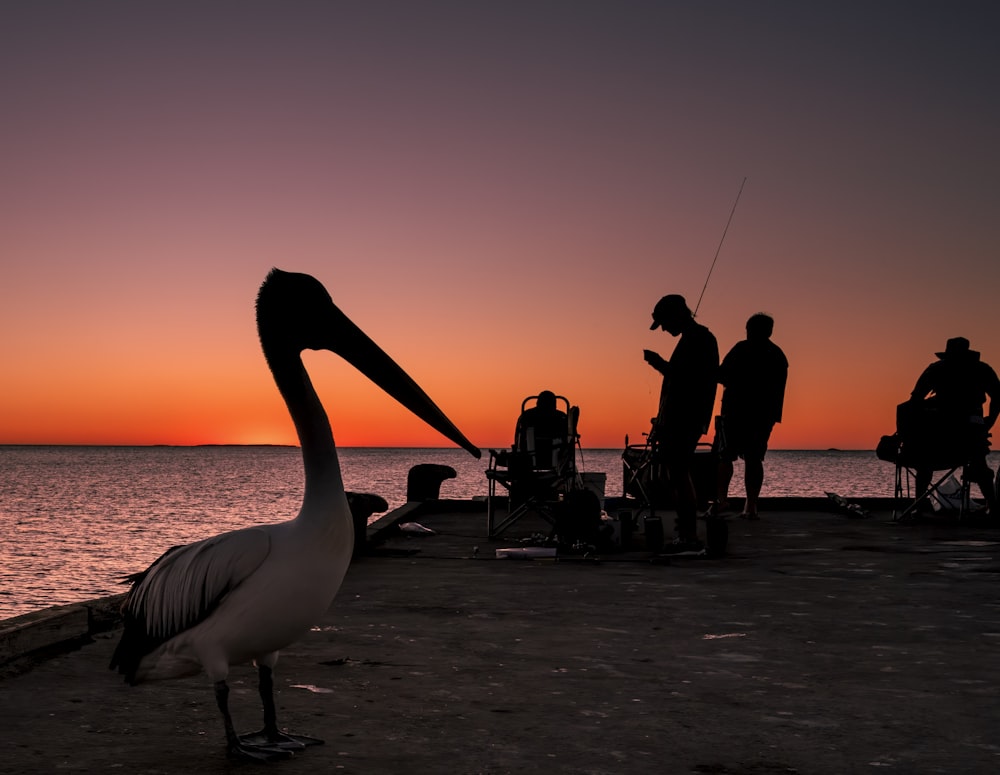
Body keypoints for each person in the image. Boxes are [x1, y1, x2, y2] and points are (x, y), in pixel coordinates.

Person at [644, 294, 719, 553]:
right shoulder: (693, 339)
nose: (664, 329)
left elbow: (689, 380)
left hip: (685, 418)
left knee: (678, 473)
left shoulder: (700, 339)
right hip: (679, 418)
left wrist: (659, 364)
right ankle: (684, 530)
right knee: (675, 473)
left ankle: (688, 534)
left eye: (664, 323)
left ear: (676, 315)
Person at [906, 337, 999, 517]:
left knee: (925, 462)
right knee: (978, 460)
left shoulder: (937, 369)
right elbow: (998, 397)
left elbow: (915, 400)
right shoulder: (981, 369)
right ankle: (993, 505)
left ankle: (919, 505)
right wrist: (990, 421)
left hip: (943, 435)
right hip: (966, 434)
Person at [711, 313, 788, 520]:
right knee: (754, 458)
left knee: (725, 456)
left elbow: (722, 375)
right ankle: (751, 505)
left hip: (735, 412)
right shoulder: (778, 355)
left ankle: (721, 501)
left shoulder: (741, 349)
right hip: (764, 416)